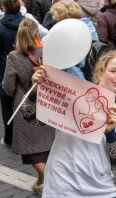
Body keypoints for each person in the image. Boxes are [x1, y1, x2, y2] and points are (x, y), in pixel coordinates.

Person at [31, 50, 116, 198]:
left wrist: (110, 133)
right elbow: (32, 119)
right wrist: (35, 92)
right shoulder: (74, 95)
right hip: (62, 186)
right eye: (113, 71)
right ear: (100, 73)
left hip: (101, 189)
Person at [2, 18, 55, 196]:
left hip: (25, 103)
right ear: (36, 33)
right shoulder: (45, 51)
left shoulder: (14, 56)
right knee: (46, 145)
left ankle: (49, 180)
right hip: (47, 101)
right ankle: (41, 182)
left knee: (31, 150)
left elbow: (8, 87)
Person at [0, 0, 24, 147]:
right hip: (25, 66)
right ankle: (25, 136)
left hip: (4, 67)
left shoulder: (1, 26)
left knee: (7, 103)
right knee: (24, 101)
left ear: (4, 7)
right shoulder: (27, 23)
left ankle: (9, 138)